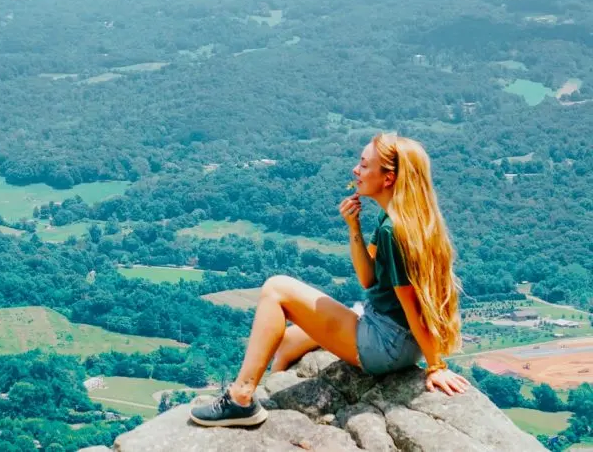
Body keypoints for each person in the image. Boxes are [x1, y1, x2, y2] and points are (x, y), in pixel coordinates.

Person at [190, 132, 470, 427]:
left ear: (388, 178)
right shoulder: (398, 219)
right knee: (285, 342)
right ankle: (270, 405)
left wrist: (435, 366)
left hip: (385, 342)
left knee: (275, 289)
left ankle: (241, 398)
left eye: (364, 165)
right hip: (393, 336)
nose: (355, 170)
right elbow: (368, 279)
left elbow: (411, 305)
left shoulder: (394, 231)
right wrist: (353, 227)